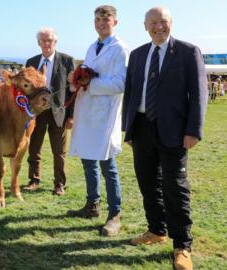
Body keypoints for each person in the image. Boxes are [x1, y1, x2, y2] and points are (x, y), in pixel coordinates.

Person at [122, 7, 207, 270]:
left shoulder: (187, 51)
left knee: (175, 188)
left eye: (163, 22)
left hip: (175, 132)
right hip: (142, 128)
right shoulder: (137, 55)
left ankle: (182, 246)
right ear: (144, 26)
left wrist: (194, 130)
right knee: (148, 184)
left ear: (171, 23)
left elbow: (199, 93)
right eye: (153, 23)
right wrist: (129, 128)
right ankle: (156, 230)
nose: (159, 27)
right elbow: (131, 92)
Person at [66, 5, 129, 237]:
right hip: (88, 112)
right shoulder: (93, 47)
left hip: (105, 115)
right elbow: (87, 73)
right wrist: (77, 80)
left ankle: (115, 214)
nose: (101, 22)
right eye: (97, 19)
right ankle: (92, 204)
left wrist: (90, 84)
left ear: (115, 22)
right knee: (88, 161)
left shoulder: (120, 49)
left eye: (106, 18)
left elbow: (120, 84)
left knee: (107, 165)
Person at [23, 27, 74, 195]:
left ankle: (59, 184)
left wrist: (71, 116)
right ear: (39, 43)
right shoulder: (31, 61)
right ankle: (34, 180)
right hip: (36, 113)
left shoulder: (67, 60)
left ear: (55, 42)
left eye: (50, 40)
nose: (46, 43)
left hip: (59, 112)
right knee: (34, 148)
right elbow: (25, 89)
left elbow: (73, 90)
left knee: (59, 152)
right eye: (43, 40)